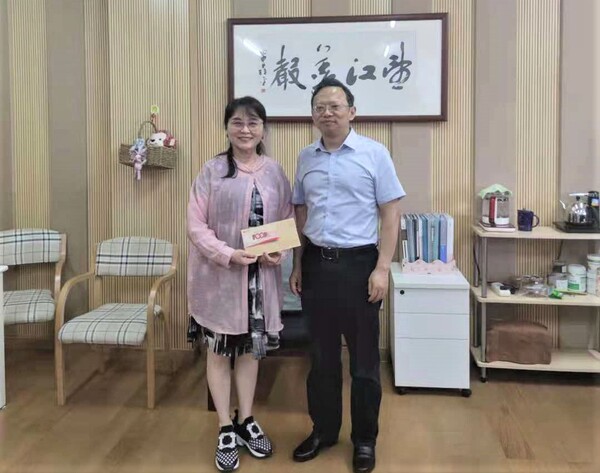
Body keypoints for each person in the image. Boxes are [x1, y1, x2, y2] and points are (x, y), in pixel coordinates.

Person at [289, 77, 405, 473]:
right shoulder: (306, 157)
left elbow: (391, 215)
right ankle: (323, 431)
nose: (327, 113)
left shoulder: (374, 154)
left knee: (364, 362)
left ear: (352, 112)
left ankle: (365, 440)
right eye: (320, 107)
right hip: (317, 265)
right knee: (321, 358)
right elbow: (300, 212)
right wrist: (298, 263)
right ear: (313, 115)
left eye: (335, 106)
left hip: (359, 266)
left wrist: (382, 268)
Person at [187, 96, 293, 472]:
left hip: (260, 280)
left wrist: (278, 251)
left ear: (263, 129)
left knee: (249, 351)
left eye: (252, 123)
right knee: (219, 352)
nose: (245, 129)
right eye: (237, 122)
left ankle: (246, 419)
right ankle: (225, 427)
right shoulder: (212, 170)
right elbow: (196, 225)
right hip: (220, 277)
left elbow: (285, 220)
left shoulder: (275, 171)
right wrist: (227, 254)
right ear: (227, 128)